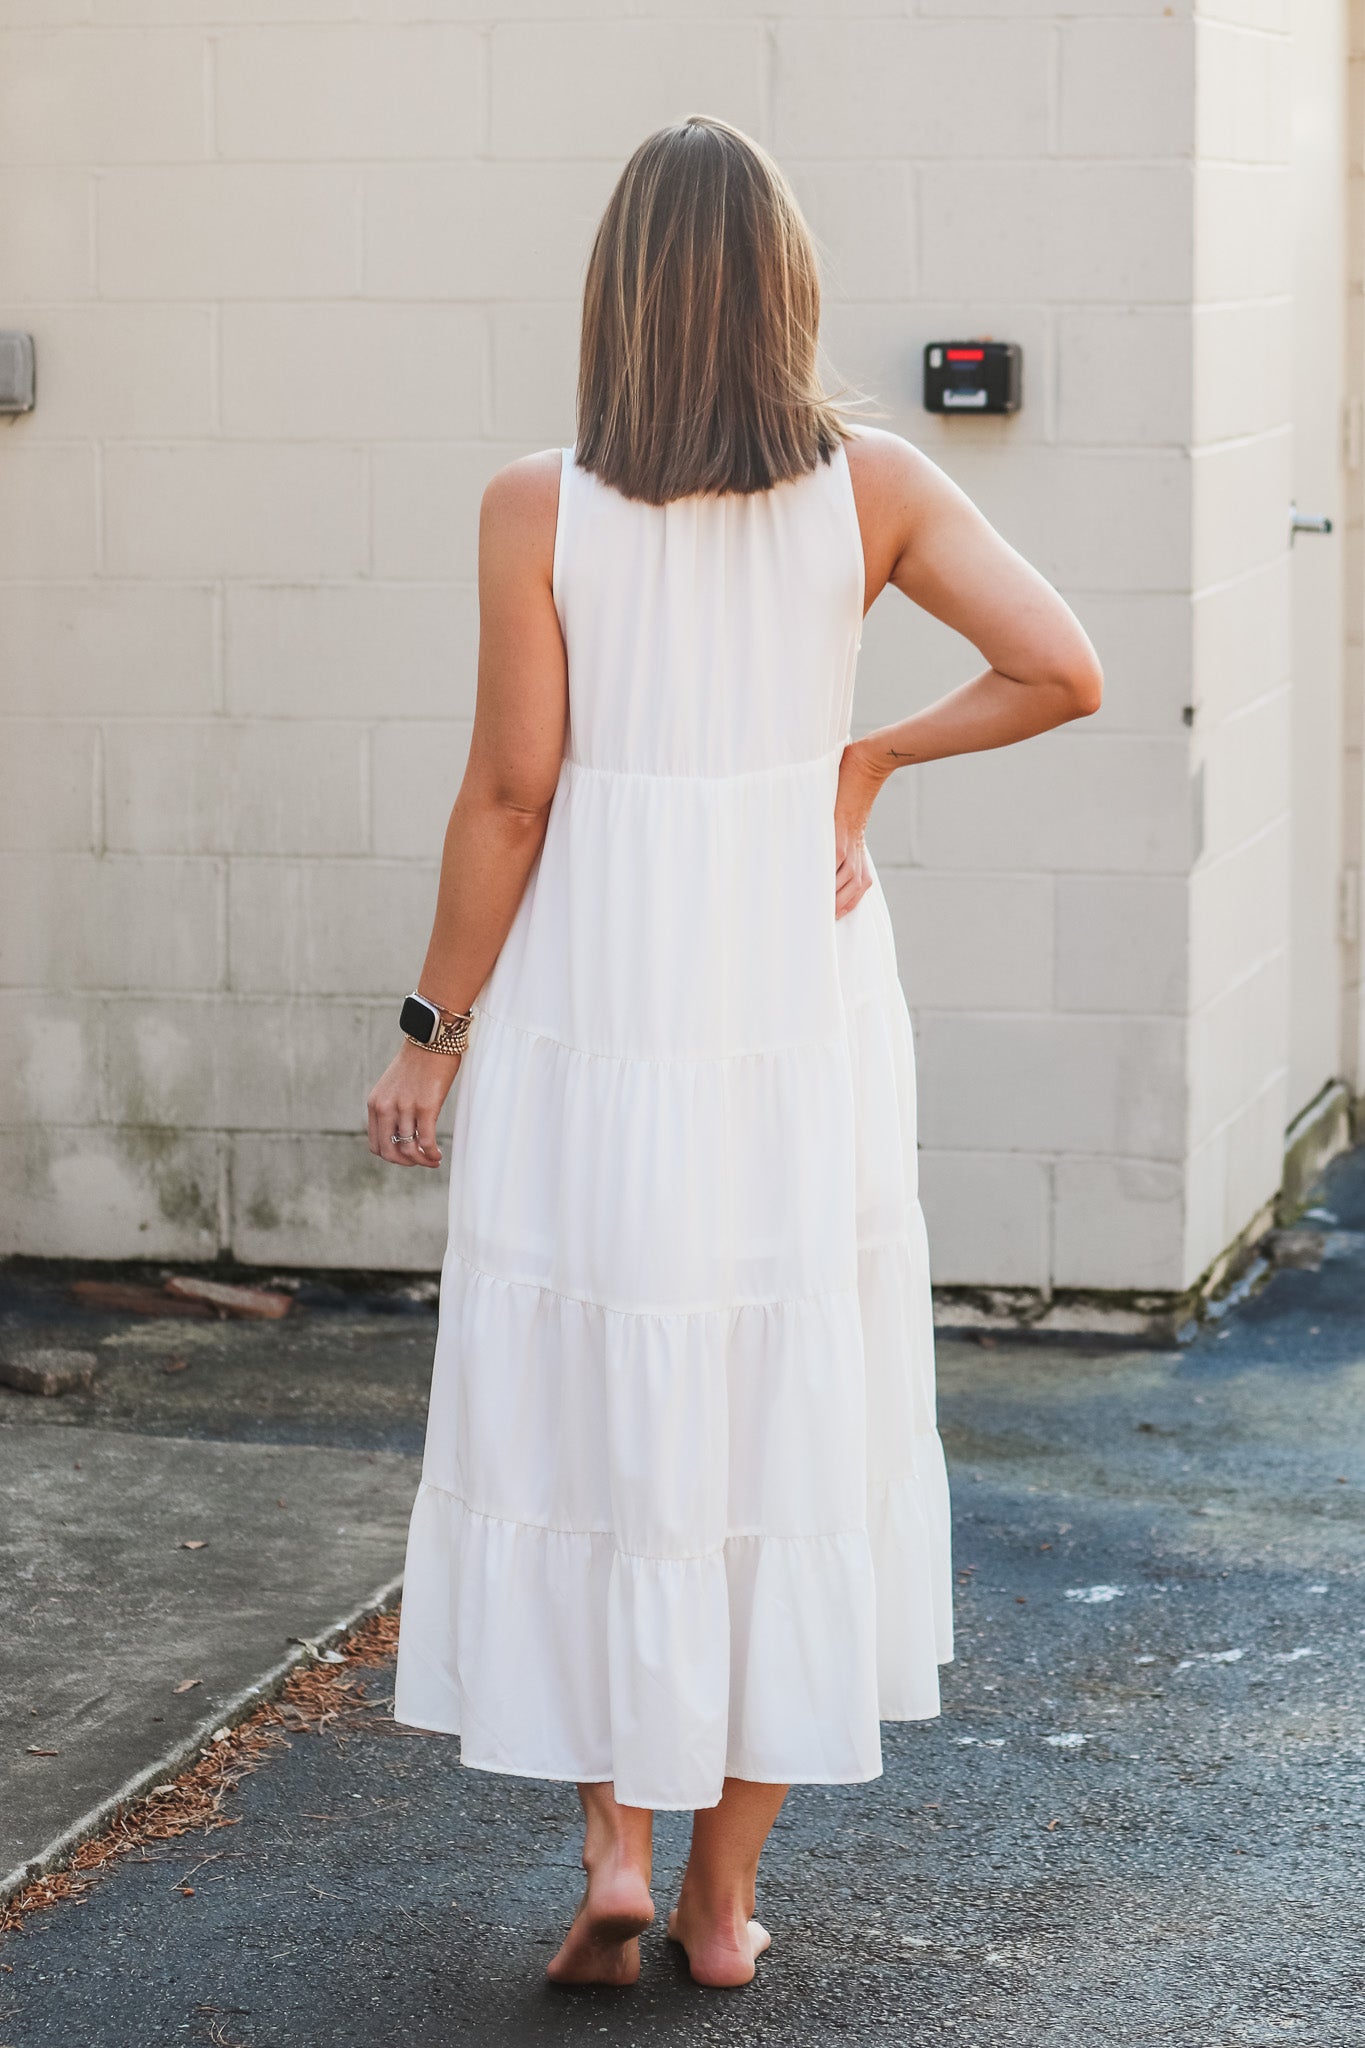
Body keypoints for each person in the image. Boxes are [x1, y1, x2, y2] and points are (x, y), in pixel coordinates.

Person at [365, 114, 1102, 1993]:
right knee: (786, 1412)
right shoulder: (872, 485)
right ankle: (714, 1902)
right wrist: (861, 759)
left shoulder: (534, 503)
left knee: (603, 1405)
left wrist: (428, 1033)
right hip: (792, 1005)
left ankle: (611, 1847)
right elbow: (1060, 667)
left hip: (594, 1007)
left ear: (613, 294)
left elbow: (515, 795)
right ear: (788, 289)